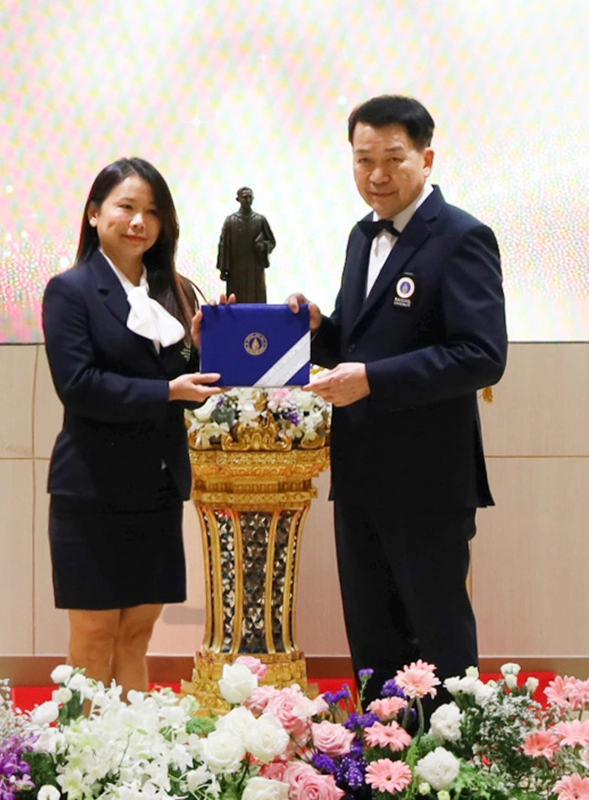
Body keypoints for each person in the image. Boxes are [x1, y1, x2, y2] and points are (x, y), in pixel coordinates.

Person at [287, 95, 508, 708]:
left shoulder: (462, 236)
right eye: (364, 160)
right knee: (372, 635)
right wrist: (317, 329)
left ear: (426, 159)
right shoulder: (361, 237)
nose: (377, 175)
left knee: (437, 635)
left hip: (428, 476)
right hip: (359, 469)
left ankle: (449, 756)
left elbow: (482, 355)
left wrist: (373, 381)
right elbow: (357, 343)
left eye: (393, 158)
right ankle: (381, 752)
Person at [40, 157, 222, 692]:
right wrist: (167, 391)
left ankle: (132, 744)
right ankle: (79, 744)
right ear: (95, 213)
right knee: (94, 634)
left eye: (153, 211)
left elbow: (189, 386)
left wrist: (210, 345)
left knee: (137, 635)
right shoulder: (70, 290)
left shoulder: (176, 292)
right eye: (126, 207)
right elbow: (79, 385)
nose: (140, 221)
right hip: (92, 489)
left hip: (157, 486)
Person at [216, 187, 276, 303]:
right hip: (236, 270)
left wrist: (263, 246)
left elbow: (271, 241)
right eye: (244, 197)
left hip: (255, 270)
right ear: (238, 199)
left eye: (250, 197)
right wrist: (223, 268)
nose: (247, 200)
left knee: (257, 302)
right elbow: (224, 246)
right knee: (236, 302)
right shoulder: (231, 221)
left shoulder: (260, 220)